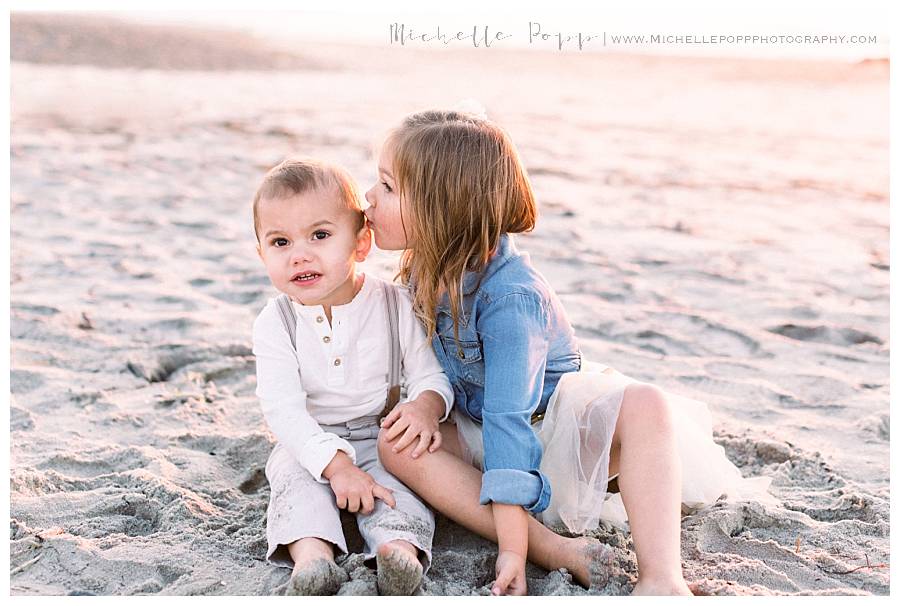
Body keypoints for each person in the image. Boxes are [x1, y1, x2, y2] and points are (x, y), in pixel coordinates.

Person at [366, 110, 776, 596]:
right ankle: (557, 549)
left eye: (388, 187)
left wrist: (514, 552)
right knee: (396, 444)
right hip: (477, 427)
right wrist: (423, 406)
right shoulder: (423, 265)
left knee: (646, 403)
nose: (368, 196)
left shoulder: (512, 300)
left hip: (549, 432)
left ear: (442, 208)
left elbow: (508, 419)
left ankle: (661, 578)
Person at [251, 157, 454, 595]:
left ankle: (398, 549)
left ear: (361, 243)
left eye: (320, 236)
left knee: (404, 480)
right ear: (262, 253)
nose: (300, 254)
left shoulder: (393, 304)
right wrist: (335, 465)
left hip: (382, 433)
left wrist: (424, 407)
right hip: (310, 439)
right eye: (280, 242)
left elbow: (430, 376)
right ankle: (313, 558)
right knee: (291, 482)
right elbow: (283, 411)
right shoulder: (276, 321)